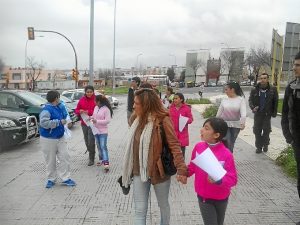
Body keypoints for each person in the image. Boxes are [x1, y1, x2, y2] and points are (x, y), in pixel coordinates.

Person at [121, 87, 187, 225]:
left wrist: (182, 169)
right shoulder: (135, 119)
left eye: (137, 103)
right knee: (140, 210)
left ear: (147, 104)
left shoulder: (163, 119)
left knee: (163, 206)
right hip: (139, 170)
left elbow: (174, 144)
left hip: (159, 171)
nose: (133, 106)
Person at [187, 117, 237, 225]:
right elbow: (192, 167)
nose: (202, 130)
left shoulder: (226, 154)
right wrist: (184, 172)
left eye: (206, 128)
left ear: (216, 135)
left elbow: (233, 179)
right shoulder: (198, 147)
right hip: (204, 197)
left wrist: (219, 180)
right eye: (203, 127)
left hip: (221, 197)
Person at [39, 90, 76, 188]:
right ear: (56, 98)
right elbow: (44, 123)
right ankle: (51, 179)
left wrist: (68, 120)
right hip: (48, 139)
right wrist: (58, 122)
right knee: (50, 160)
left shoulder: (59, 107)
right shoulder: (46, 110)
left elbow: (65, 117)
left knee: (65, 157)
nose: (60, 99)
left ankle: (66, 178)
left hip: (60, 137)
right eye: (59, 97)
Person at [281, 51, 300, 225]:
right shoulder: (292, 87)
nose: (294, 68)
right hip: (297, 140)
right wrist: (289, 136)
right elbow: (285, 113)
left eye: (298, 65)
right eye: (295, 64)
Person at [249, 73, 278, 153]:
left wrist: (274, 112)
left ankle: (265, 144)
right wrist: (253, 108)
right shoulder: (254, 89)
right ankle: (259, 147)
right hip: (258, 114)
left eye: (264, 78)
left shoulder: (273, 89)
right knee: (257, 131)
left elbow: (275, 101)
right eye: (261, 78)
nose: (263, 80)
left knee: (266, 131)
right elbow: (250, 100)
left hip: (267, 114)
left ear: (267, 79)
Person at [216, 81, 246, 152]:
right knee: (227, 141)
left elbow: (243, 113)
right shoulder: (224, 100)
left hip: (236, 125)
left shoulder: (240, 100)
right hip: (224, 124)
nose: (225, 91)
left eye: (226, 89)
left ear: (232, 90)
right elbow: (219, 113)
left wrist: (243, 122)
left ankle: (229, 158)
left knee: (231, 143)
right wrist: (215, 122)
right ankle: (228, 158)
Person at [90, 95, 113, 171]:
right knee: (99, 146)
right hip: (96, 130)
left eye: (95, 101)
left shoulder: (106, 109)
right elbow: (94, 116)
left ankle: (106, 163)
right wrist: (91, 118)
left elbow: (107, 121)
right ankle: (101, 160)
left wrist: (97, 121)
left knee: (103, 146)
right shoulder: (96, 107)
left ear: (99, 101)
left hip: (103, 131)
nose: (94, 102)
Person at [75, 85, 96, 166]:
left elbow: (97, 110)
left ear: (93, 92)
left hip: (93, 122)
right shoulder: (82, 100)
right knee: (86, 140)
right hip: (84, 123)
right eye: (87, 92)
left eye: (91, 92)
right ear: (85, 92)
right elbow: (76, 110)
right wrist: (79, 111)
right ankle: (91, 151)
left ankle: (91, 158)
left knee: (91, 140)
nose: (89, 93)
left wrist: (89, 112)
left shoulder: (96, 99)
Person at [169, 92, 193, 159]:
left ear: (181, 99)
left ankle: (182, 168)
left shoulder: (186, 108)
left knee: (181, 154)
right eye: (174, 99)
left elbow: (191, 119)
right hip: (173, 134)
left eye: (176, 98)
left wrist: (184, 120)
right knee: (172, 153)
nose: (174, 100)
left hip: (183, 134)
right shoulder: (170, 108)